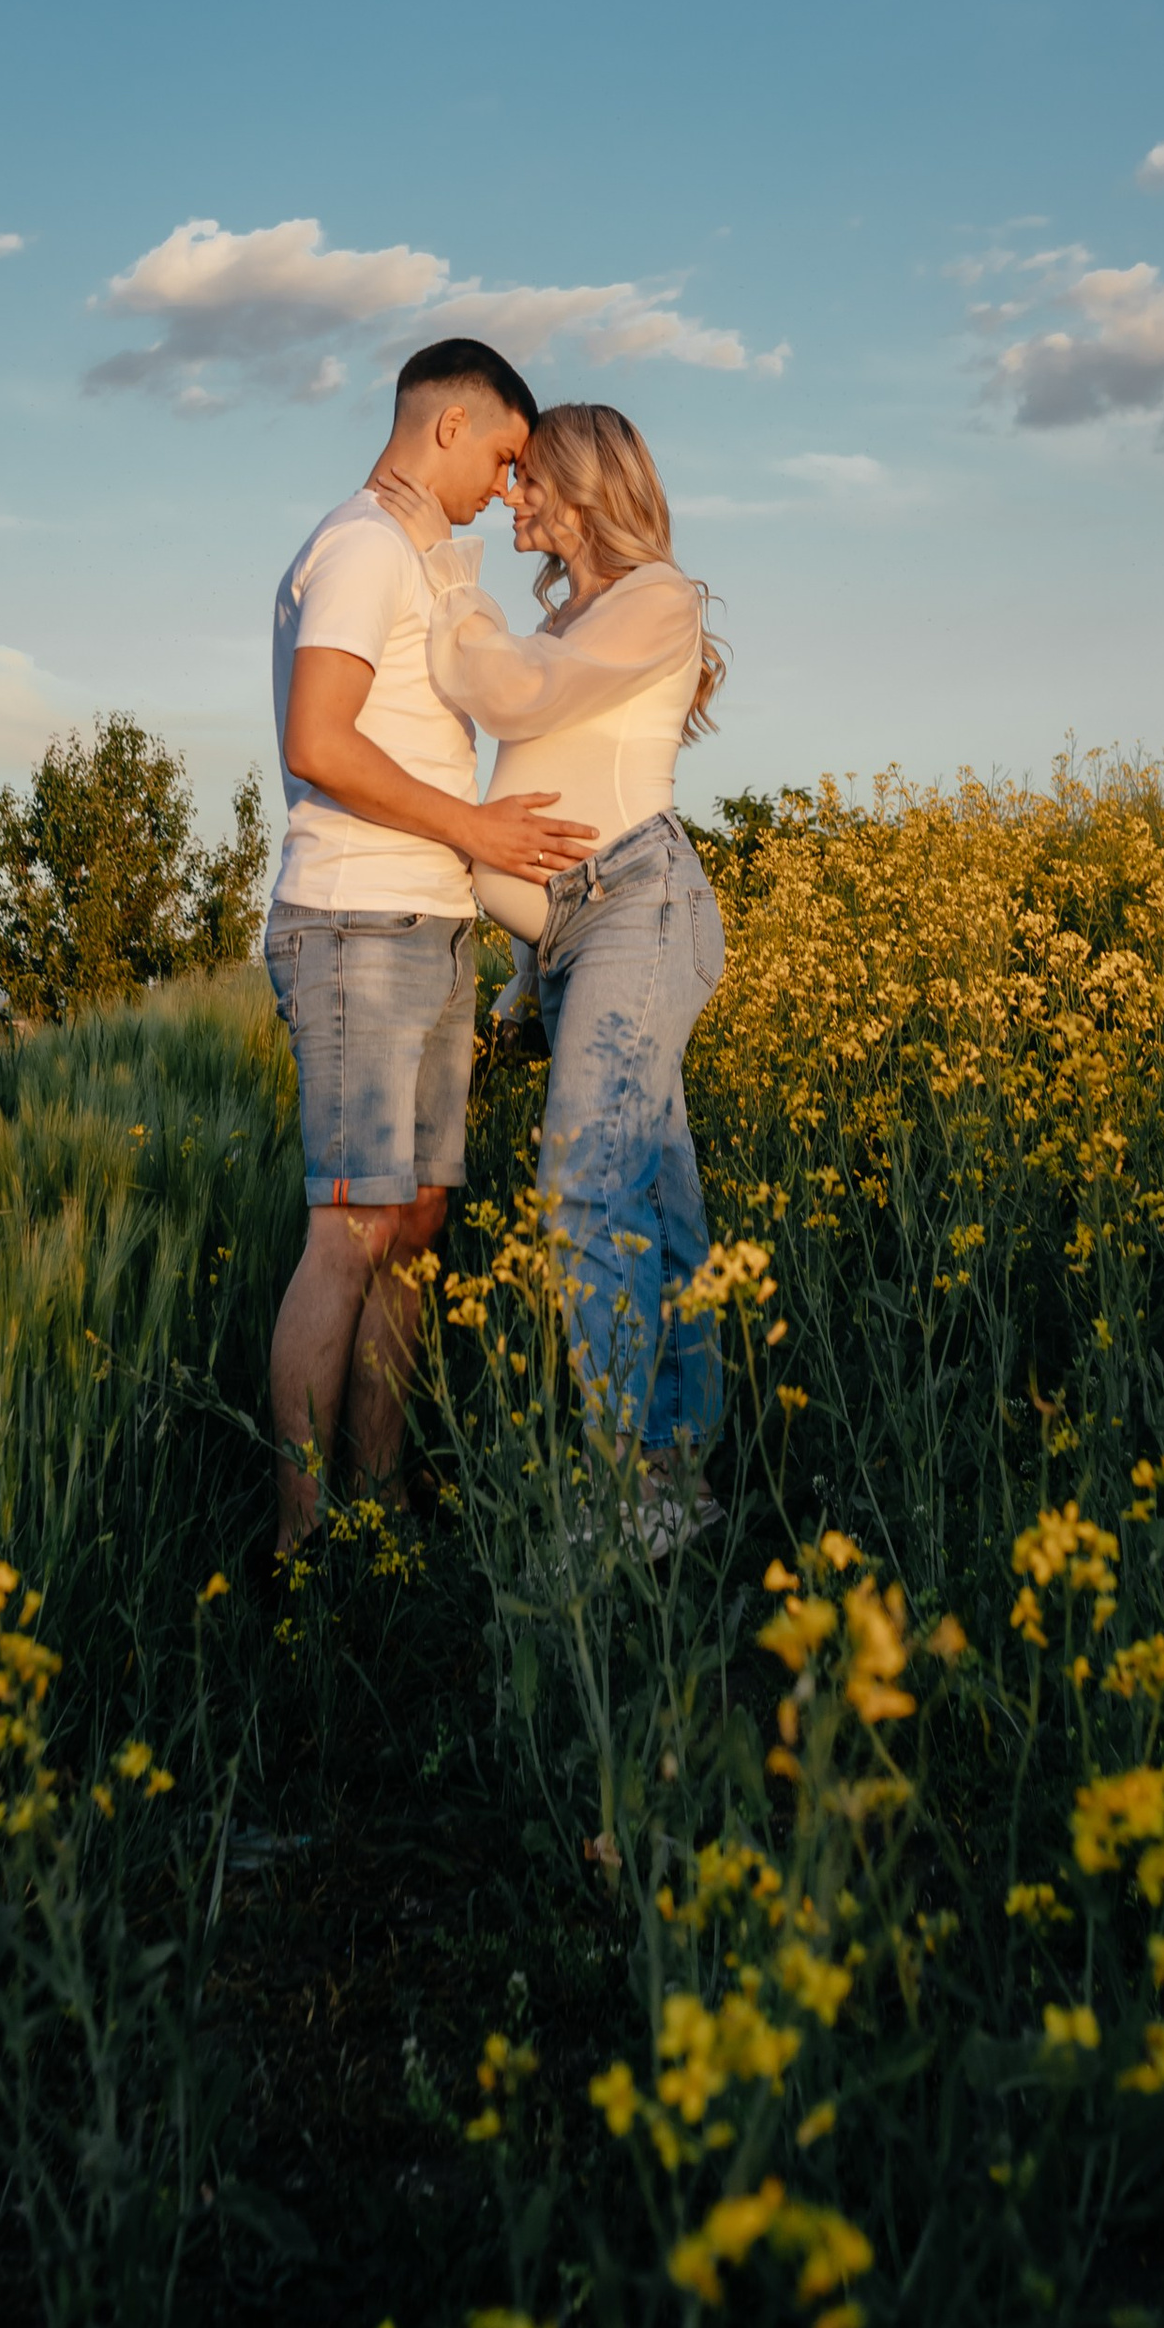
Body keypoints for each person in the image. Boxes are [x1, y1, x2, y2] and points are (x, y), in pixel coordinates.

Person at [264, 338, 597, 1556]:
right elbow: (320, 738)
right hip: (355, 917)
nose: (509, 490)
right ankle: (303, 1548)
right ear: (447, 426)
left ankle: (385, 1506)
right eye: (506, 458)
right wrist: (477, 827)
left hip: (430, 918)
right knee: (346, 1237)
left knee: (413, 1232)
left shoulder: (412, 556)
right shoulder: (357, 546)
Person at [373, 401, 729, 1538]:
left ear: (582, 488)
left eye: (529, 478)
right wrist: (532, 973)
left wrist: (450, 576)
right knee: (654, 1207)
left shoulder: (653, 600)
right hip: (576, 937)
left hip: (639, 904)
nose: (512, 493)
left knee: (582, 1188)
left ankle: (627, 1494)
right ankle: (676, 1492)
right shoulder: (576, 615)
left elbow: (517, 698)